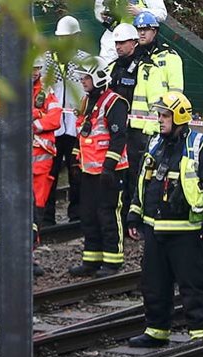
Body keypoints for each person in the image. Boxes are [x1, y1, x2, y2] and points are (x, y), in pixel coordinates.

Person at [127, 92, 203, 347]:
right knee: (154, 283)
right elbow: (142, 183)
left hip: (188, 230)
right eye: (159, 115)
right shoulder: (154, 145)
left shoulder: (200, 146)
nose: (160, 120)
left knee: (193, 282)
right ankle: (157, 330)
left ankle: (200, 331)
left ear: (179, 117)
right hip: (155, 229)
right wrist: (134, 216)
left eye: (164, 116)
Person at [68, 56, 130, 278]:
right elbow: (82, 132)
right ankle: (91, 260)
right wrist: (77, 159)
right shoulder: (87, 102)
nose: (83, 82)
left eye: (86, 78)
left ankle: (112, 260)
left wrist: (109, 167)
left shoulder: (115, 103)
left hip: (109, 172)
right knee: (89, 214)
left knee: (108, 214)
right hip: (89, 170)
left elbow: (119, 137)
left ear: (98, 77)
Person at [108, 23, 164, 224]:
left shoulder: (147, 68)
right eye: (116, 43)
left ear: (133, 42)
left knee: (137, 179)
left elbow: (157, 104)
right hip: (117, 133)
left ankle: (136, 220)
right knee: (117, 177)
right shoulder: (114, 67)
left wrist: (149, 134)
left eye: (122, 42)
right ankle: (120, 218)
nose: (118, 47)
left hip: (139, 134)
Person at [42, 15, 90, 226]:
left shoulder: (85, 61)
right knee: (49, 174)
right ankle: (47, 217)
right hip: (52, 128)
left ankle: (77, 215)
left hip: (75, 128)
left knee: (76, 173)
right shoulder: (46, 61)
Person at [31, 56, 62, 225]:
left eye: (36, 68)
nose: (34, 72)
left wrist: (36, 123)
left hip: (41, 157)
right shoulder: (13, 87)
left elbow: (55, 118)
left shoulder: (45, 90)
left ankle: (34, 235)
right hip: (17, 156)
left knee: (39, 200)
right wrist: (38, 114)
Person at [94, 0, 167, 62]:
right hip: (112, 34)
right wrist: (102, 15)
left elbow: (162, 14)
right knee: (105, 67)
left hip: (135, 37)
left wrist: (141, 11)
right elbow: (99, 8)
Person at [133, 11, 184, 93]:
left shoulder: (169, 56)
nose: (142, 33)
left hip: (162, 105)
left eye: (146, 29)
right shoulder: (132, 55)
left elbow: (176, 91)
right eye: (139, 30)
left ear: (154, 32)